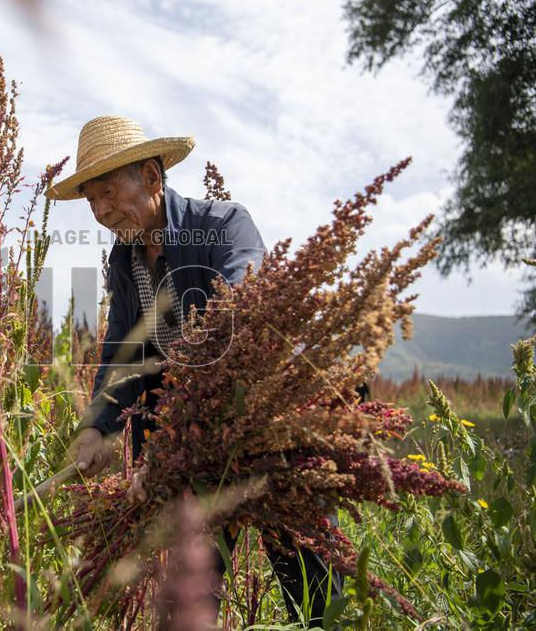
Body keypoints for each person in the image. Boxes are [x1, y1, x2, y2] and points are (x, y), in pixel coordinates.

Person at [48, 115, 342, 626]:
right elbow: (124, 353)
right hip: (192, 452)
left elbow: (236, 330)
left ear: (153, 178)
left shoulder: (226, 227)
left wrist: (169, 445)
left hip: (266, 429)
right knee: (191, 593)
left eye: (109, 192)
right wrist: (95, 428)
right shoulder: (125, 260)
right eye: (91, 200)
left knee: (315, 592)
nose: (100, 211)